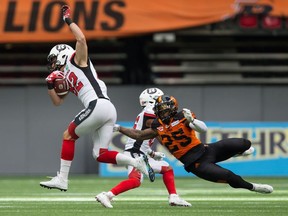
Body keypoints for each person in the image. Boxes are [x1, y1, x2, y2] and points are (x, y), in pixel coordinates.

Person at [40, 5, 150, 191]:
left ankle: (62, 179)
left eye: (53, 60)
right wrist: (50, 85)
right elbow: (58, 102)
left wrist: (68, 19)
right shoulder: (66, 75)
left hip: (97, 105)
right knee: (100, 154)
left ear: (61, 55)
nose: (52, 65)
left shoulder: (76, 60)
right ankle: (135, 161)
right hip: (107, 108)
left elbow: (81, 39)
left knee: (68, 135)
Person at [114, 95, 274, 196]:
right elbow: (139, 135)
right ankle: (254, 187)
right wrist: (120, 128)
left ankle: (237, 153)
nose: (162, 112)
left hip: (206, 149)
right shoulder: (157, 125)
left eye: (165, 109)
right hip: (196, 163)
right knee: (231, 177)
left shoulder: (183, 116)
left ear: (173, 109)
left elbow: (203, 129)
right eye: (160, 109)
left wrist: (192, 121)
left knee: (244, 143)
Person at [96, 88, 191, 208]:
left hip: (141, 152)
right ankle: (107, 195)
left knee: (167, 169)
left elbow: (151, 135)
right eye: (160, 100)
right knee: (135, 180)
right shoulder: (149, 112)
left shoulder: (151, 113)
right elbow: (154, 130)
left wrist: (151, 154)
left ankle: (174, 197)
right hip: (134, 153)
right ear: (153, 100)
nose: (163, 105)